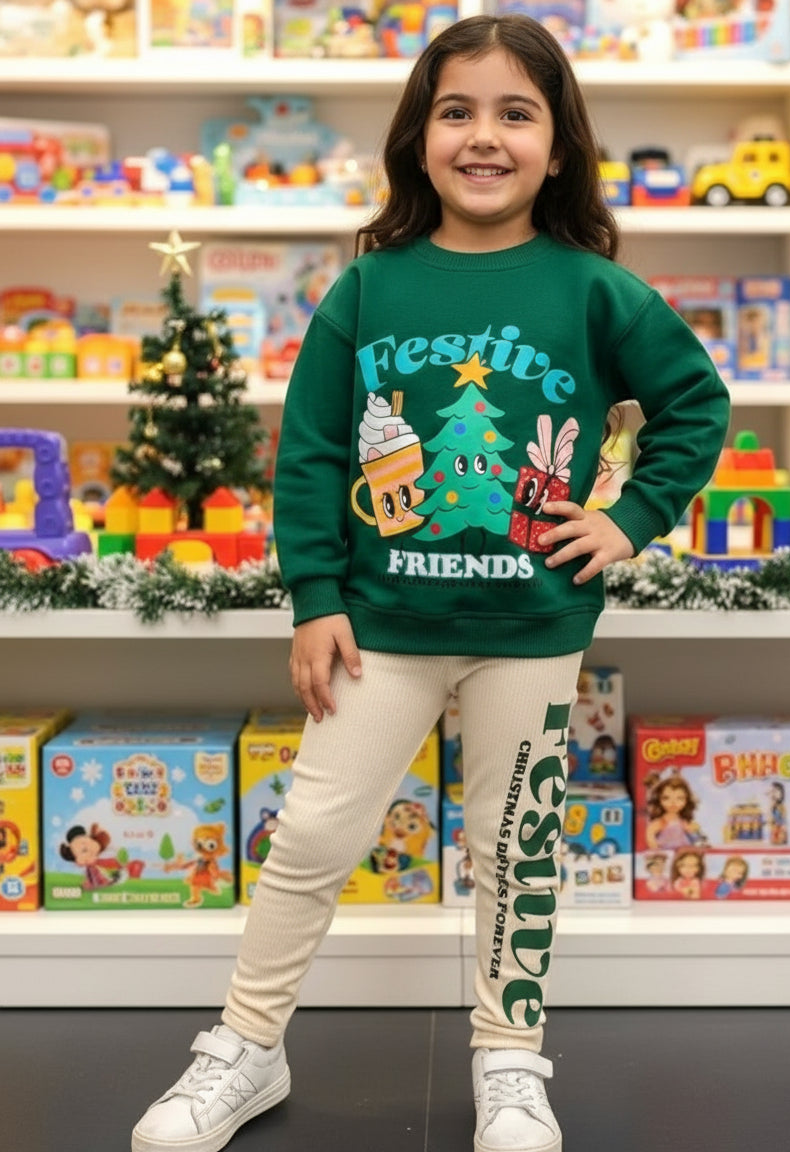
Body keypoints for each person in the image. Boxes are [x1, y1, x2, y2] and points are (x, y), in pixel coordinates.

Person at [131, 13, 730, 1152]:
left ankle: (509, 1060)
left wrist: (629, 519)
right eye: (456, 111)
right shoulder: (366, 290)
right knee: (312, 836)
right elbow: (313, 452)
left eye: (516, 113)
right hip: (379, 632)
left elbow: (694, 405)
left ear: (559, 146)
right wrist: (315, 597)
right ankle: (246, 1046)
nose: (483, 136)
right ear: (417, 138)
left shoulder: (594, 291)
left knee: (516, 851)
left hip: (532, 627)